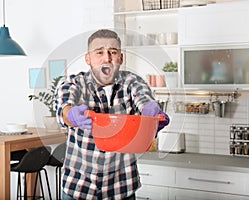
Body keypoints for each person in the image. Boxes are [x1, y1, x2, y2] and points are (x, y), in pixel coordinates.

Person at [55, 29, 170, 200]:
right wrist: (71, 115)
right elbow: (64, 107)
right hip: (79, 187)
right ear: (88, 59)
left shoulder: (133, 82)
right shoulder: (74, 83)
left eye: (113, 52)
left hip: (121, 187)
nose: (107, 58)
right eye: (99, 52)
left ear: (121, 58)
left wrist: (151, 114)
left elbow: (144, 98)